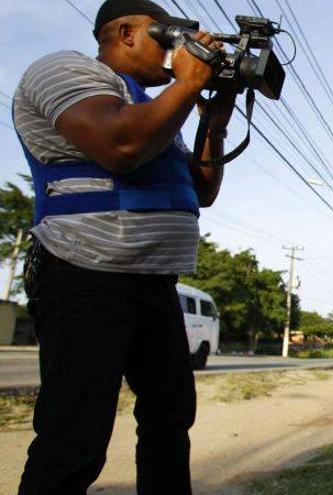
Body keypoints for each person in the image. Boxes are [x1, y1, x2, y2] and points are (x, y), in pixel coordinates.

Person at [13, 0, 236, 493]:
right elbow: (119, 146)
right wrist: (187, 83)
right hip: (84, 273)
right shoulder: (64, 69)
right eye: (171, 39)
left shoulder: (155, 110)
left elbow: (202, 191)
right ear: (129, 32)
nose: (179, 52)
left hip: (154, 283)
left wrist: (212, 121)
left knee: (169, 421)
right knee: (75, 437)